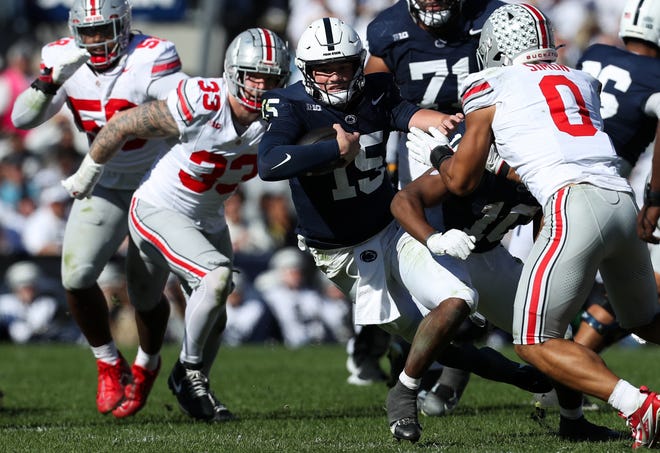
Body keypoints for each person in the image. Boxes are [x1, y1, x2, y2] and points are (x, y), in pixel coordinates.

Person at [258, 17, 553, 443]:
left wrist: (442, 123)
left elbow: (403, 113)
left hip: (391, 228)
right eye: (325, 68)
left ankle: (404, 394)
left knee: (459, 300)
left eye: (344, 65)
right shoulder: (289, 103)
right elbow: (268, 163)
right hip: (341, 253)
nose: (337, 76)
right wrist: (331, 149)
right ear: (305, 71)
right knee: (425, 337)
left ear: (359, 62)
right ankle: (505, 372)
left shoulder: (375, 89)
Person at [414, 3, 660, 449]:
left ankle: (638, 405)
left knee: (533, 341)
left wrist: (437, 153)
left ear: (494, 46)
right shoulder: (580, 80)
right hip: (620, 198)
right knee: (645, 321)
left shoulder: (489, 84)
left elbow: (463, 180)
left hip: (572, 204)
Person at [62, 27, 291, 420]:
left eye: (270, 77)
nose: (260, 85)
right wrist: (89, 171)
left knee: (211, 310)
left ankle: (186, 379)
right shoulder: (204, 99)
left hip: (208, 217)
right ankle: (186, 372)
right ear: (232, 71)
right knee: (210, 280)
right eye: (253, 75)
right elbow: (122, 125)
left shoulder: (285, 114)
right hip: (158, 208)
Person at [11, 0, 187, 417]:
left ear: (123, 26)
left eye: (102, 30)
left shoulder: (153, 55)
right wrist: (51, 81)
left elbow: (181, 114)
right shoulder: (59, 55)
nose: (93, 41)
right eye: (86, 32)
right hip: (103, 183)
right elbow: (21, 119)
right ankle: (108, 362)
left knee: (145, 293)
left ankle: (146, 363)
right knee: (75, 275)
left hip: (155, 182)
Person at [395, 133, 620, 440]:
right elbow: (404, 200)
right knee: (457, 303)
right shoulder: (478, 161)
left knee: (554, 331)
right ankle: (405, 392)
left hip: (488, 255)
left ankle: (572, 420)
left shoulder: (548, 178)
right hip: (436, 246)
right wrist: (434, 238)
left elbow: (548, 227)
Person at [574, 0, 660, 352]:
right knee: (642, 287)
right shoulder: (654, 74)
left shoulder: (594, 54)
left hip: (561, 179)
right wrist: (654, 200)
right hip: (611, 190)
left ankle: (564, 376)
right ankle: (566, 372)